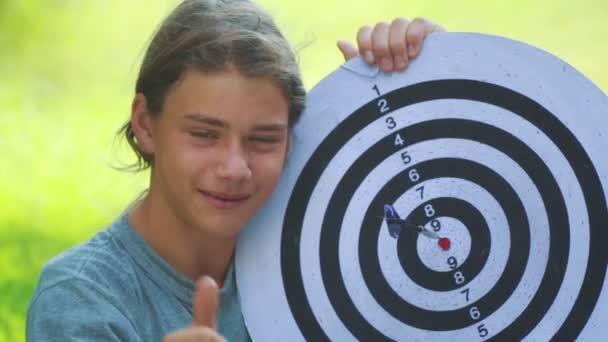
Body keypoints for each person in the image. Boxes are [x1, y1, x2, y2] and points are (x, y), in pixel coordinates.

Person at [26, 0, 444, 341]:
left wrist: (442, 78)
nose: (234, 167)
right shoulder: (83, 299)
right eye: (205, 134)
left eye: (263, 139)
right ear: (145, 123)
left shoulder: (327, 260)